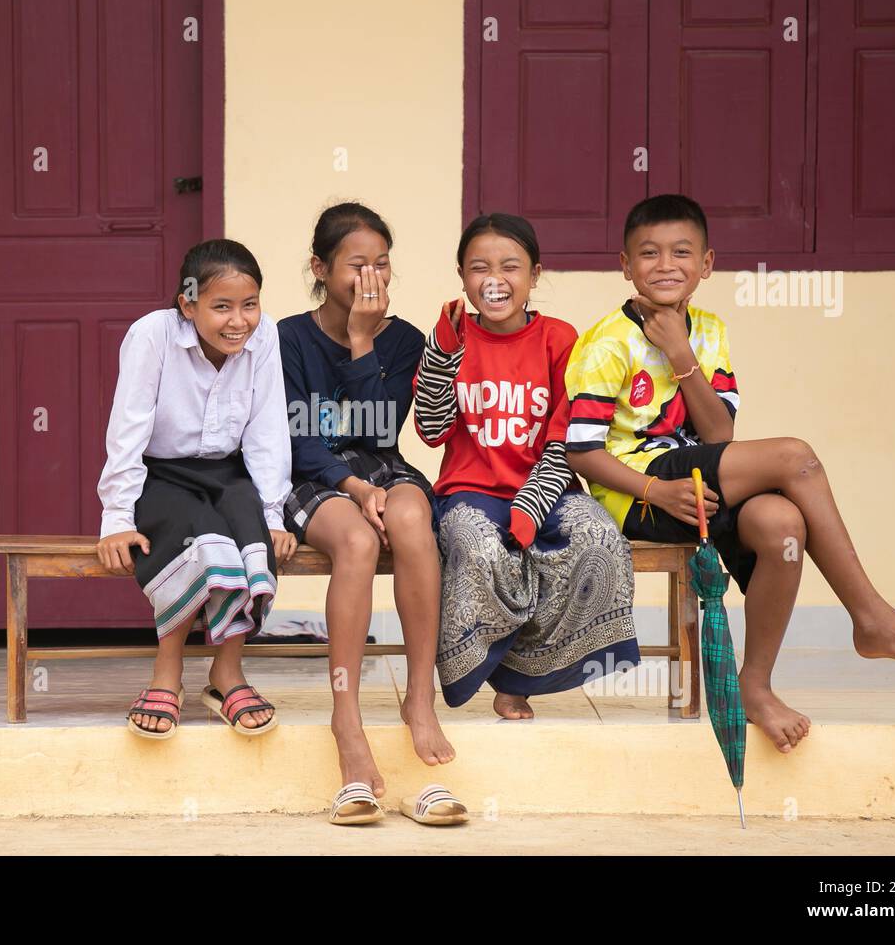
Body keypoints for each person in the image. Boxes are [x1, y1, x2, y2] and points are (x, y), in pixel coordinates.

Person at [564, 193, 895, 753]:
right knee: (794, 457)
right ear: (625, 265)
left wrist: (682, 355)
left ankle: (755, 687)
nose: (665, 265)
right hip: (642, 491)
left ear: (706, 264)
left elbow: (718, 436)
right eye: (649, 253)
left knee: (782, 524)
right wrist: (657, 490)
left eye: (682, 252)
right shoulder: (606, 342)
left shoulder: (707, 330)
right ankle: (873, 617)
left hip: (701, 476)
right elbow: (581, 452)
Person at [414, 212, 639, 717]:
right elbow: (430, 430)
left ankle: (521, 678)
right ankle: (487, 668)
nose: (495, 280)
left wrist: (531, 508)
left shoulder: (560, 339)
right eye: (479, 268)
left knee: (598, 537)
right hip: (469, 489)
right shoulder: (451, 337)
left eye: (510, 266)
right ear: (462, 277)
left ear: (534, 275)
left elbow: (567, 438)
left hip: (551, 486)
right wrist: (443, 354)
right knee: (477, 547)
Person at [278, 202, 454, 822]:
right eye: (357, 265)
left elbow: (381, 426)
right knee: (354, 541)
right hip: (313, 473)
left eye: (383, 264)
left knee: (412, 519)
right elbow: (297, 437)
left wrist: (362, 340)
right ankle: (346, 719)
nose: (372, 277)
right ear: (320, 268)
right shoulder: (287, 339)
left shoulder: (403, 339)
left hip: (379, 462)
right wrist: (349, 485)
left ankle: (419, 699)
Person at [96, 239, 296, 739]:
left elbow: (268, 426)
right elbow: (129, 427)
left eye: (249, 305)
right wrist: (117, 517)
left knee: (250, 536)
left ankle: (227, 672)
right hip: (162, 473)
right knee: (197, 535)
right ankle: (168, 672)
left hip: (229, 472)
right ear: (188, 306)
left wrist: (273, 512)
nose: (239, 321)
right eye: (221, 306)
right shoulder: (152, 336)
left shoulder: (265, 336)